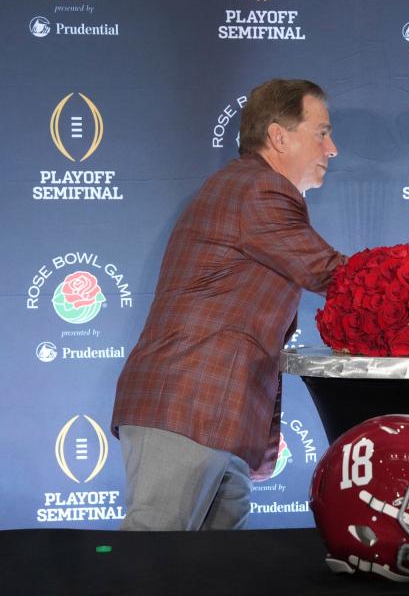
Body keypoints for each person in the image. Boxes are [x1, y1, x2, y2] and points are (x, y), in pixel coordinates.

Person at [111, 79, 348, 530]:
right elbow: (329, 272)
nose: (332, 148)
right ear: (279, 136)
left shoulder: (250, 187)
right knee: (148, 564)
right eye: (322, 132)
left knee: (214, 571)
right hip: (187, 405)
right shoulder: (258, 189)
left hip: (218, 414)